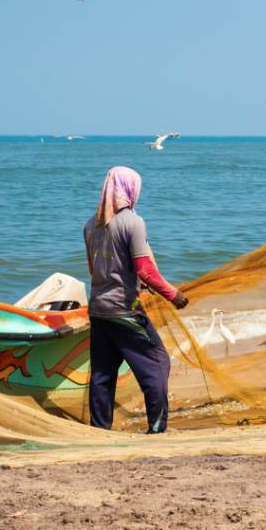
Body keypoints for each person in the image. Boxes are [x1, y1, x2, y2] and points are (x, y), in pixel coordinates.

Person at [83, 167, 189, 432]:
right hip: (124, 311)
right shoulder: (133, 222)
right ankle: (156, 428)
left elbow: (94, 270)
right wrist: (172, 294)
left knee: (102, 374)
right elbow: (144, 269)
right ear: (130, 190)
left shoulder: (90, 226)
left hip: (97, 309)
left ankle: (99, 430)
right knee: (157, 361)